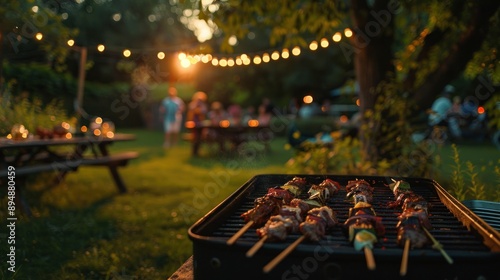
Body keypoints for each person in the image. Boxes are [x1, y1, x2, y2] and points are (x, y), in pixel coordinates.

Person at [186, 91, 208, 156]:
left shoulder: (203, 105)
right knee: (195, 137)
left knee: (200, 137)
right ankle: (194, 152)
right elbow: (193, 112)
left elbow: (202, 111)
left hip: (201, 125)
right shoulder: (193, 104)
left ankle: (198, 151)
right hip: (194, 125)